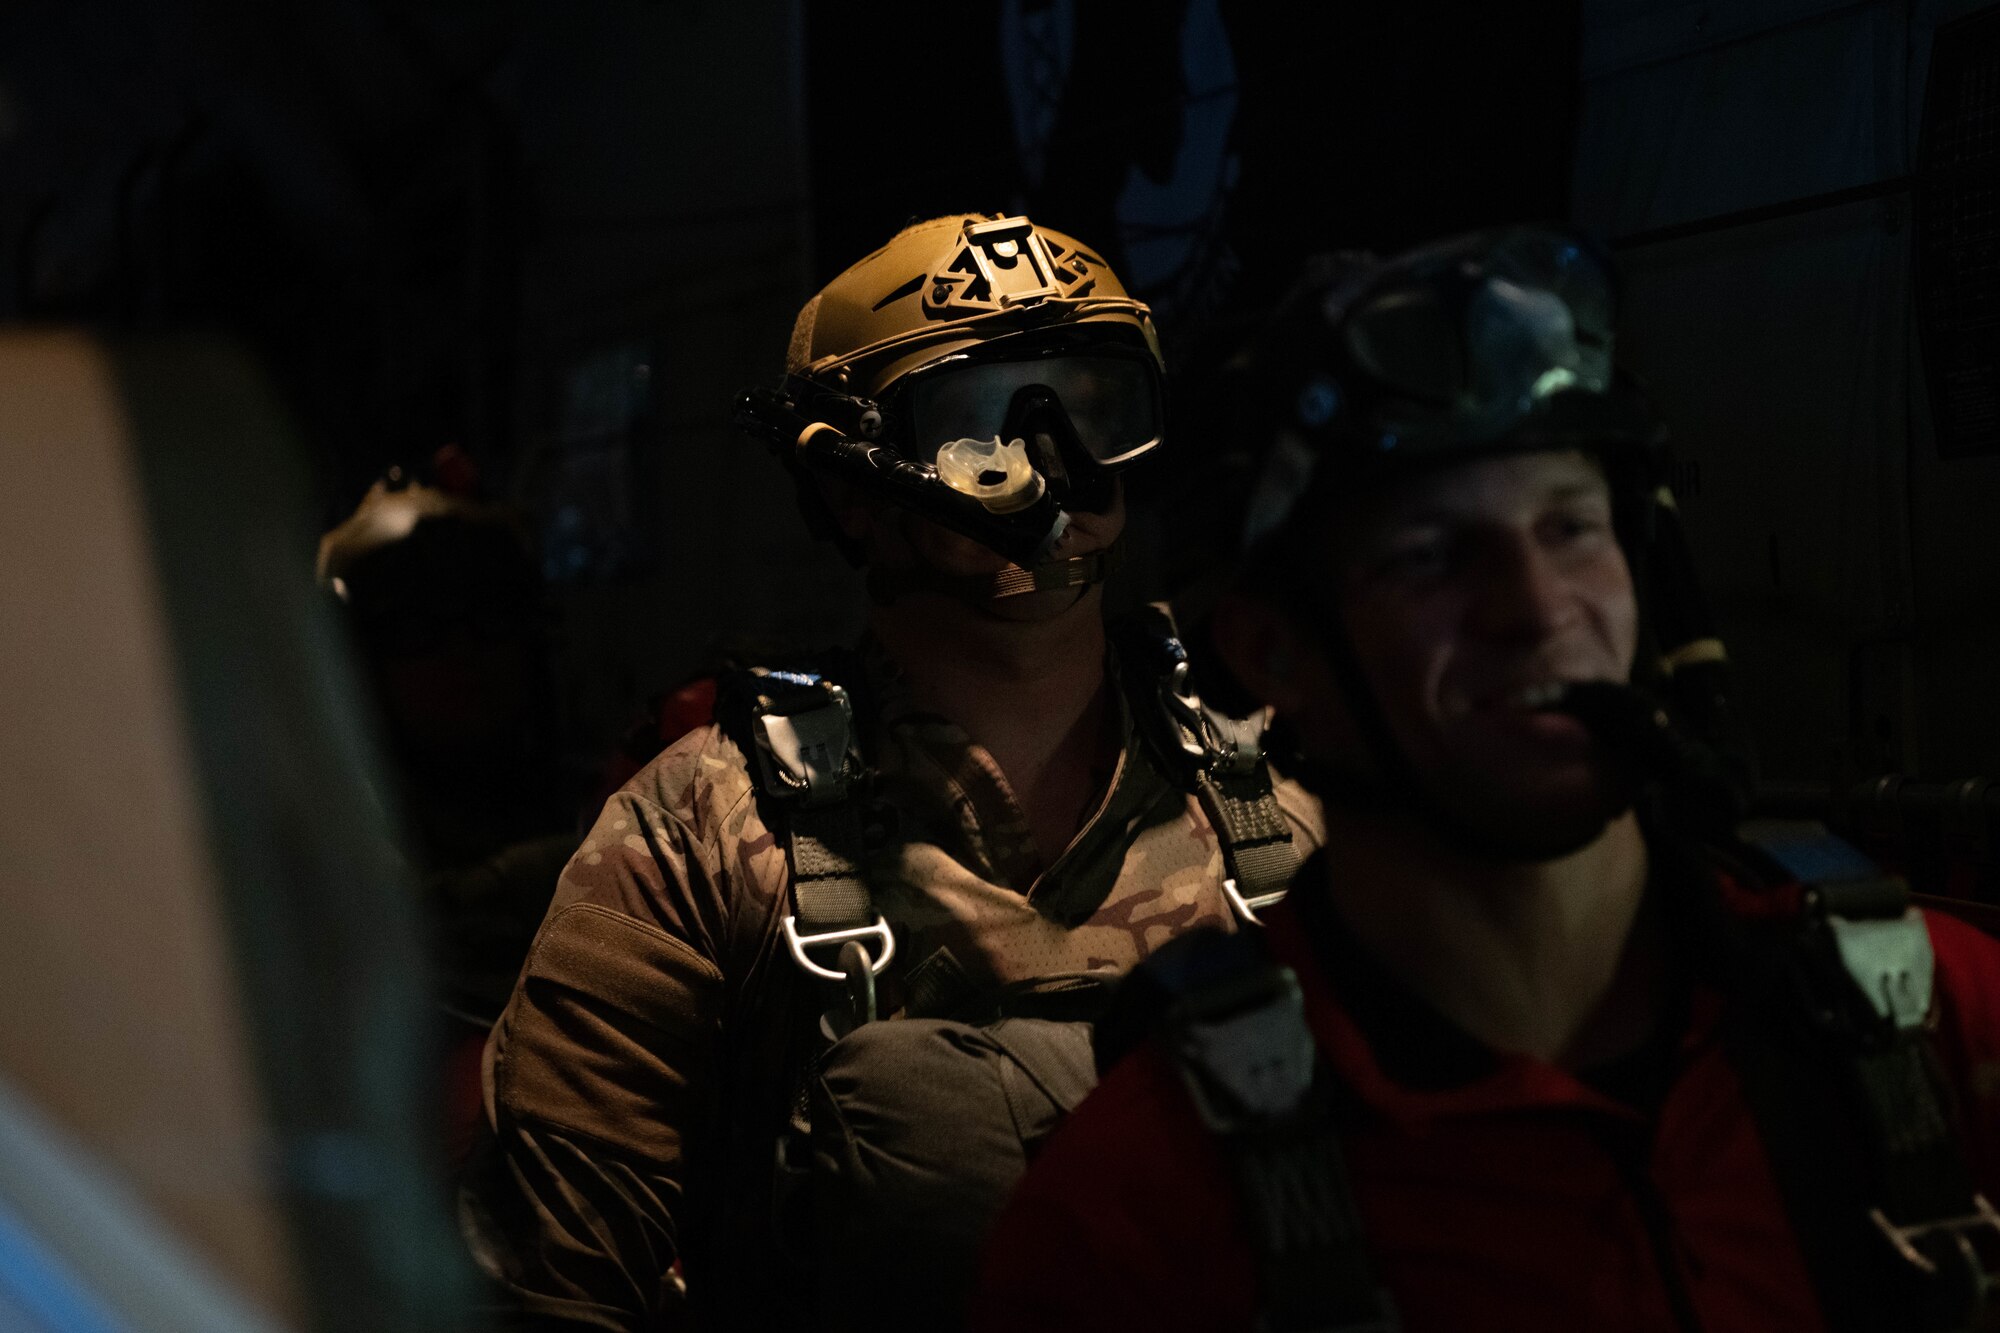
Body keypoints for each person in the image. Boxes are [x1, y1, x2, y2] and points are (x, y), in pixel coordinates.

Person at [973, 227, 2000, 1333]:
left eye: (1569, 527)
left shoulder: (1942, 1022)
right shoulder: (1139, 1216)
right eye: (1429, 555)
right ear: (1273, 654)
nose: (1536, 608)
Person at [463, 213, 1323, 1330]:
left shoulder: (1284, 800)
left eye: (1092, 407)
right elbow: (558, 1281)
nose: (1055, 466)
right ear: (849, 487)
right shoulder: (701, 829)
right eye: (981, 424)